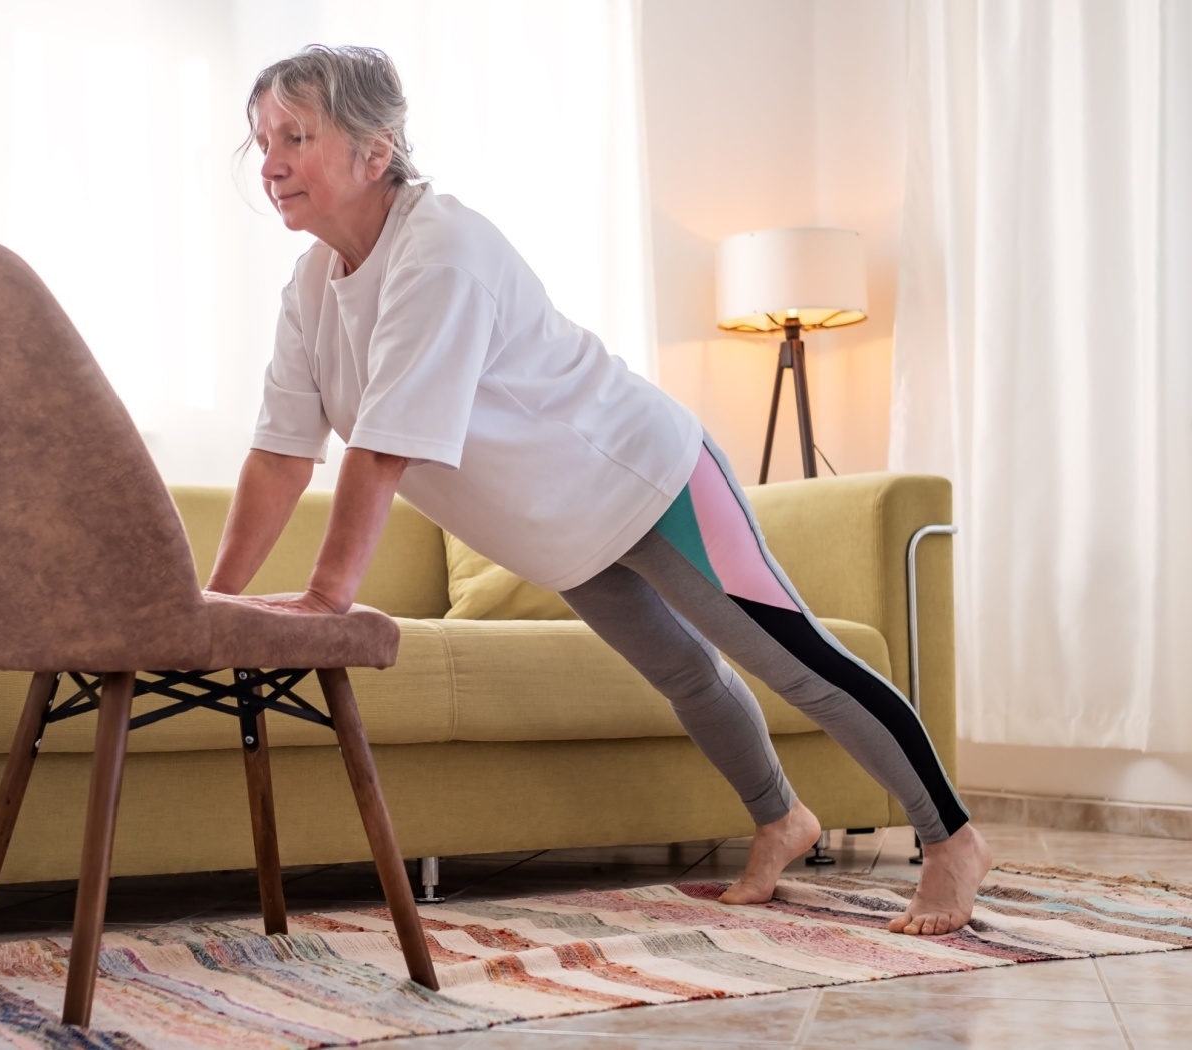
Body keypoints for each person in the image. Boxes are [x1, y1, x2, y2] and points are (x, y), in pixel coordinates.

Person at [205, 44, 992, 936]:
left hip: (646, 475)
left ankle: (952, 839)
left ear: (374, 149)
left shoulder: (441, 250)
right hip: (561, 528)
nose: (268, 164)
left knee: (793, 658)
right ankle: (783, 819)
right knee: (686, 675)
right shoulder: (311, 286)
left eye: (294, 138)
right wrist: (214, 605)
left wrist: (323, 599)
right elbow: (279, 455)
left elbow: (380, 452)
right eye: (261, 141)